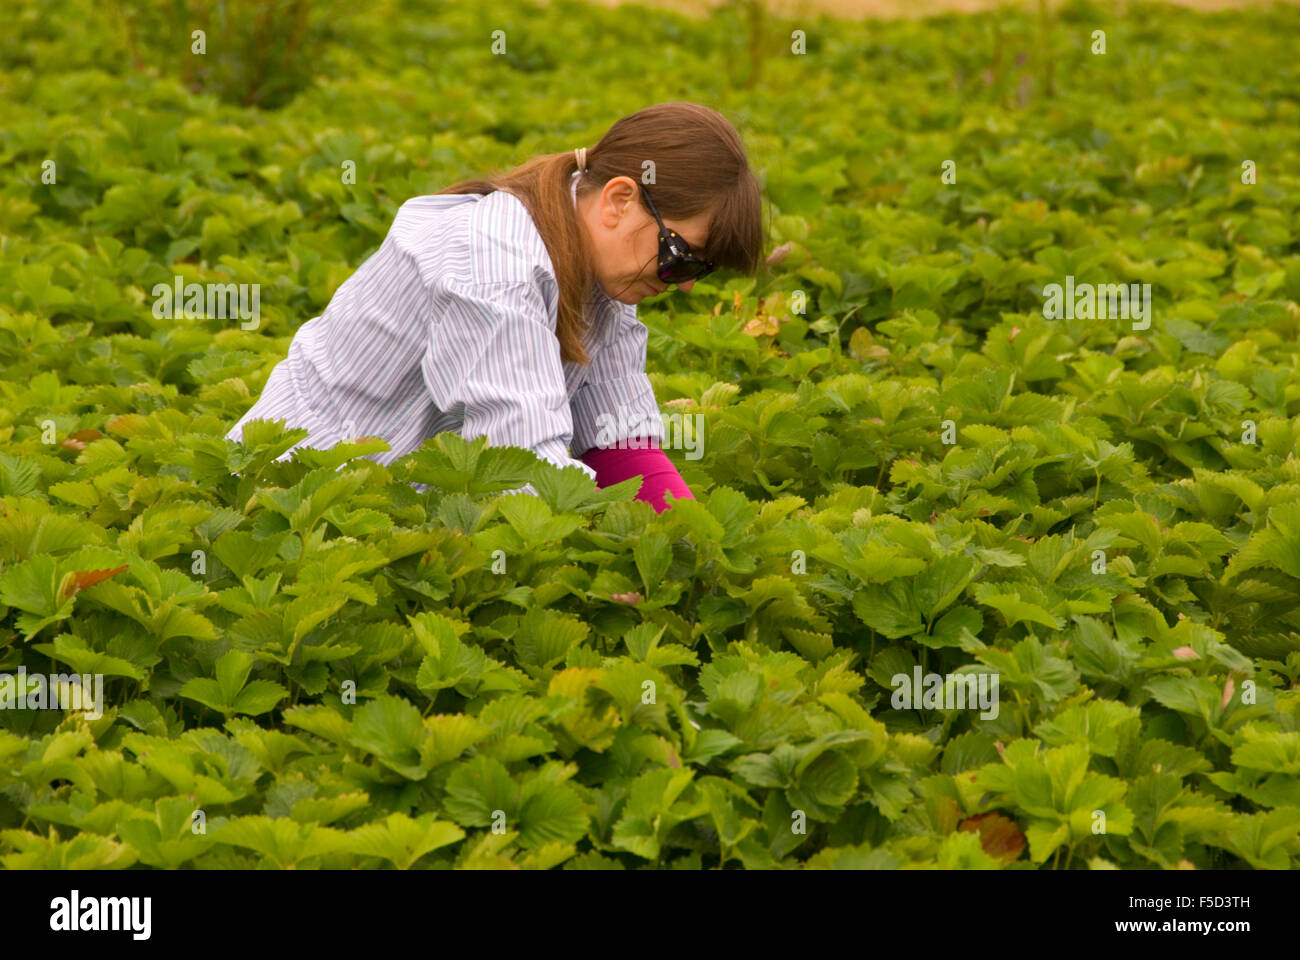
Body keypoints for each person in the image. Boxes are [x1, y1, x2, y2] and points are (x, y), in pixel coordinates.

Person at [225, 101, 765, 512]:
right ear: (620, 200)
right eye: (681, 257)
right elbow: (523, 459)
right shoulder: (492, 258)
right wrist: (614, 557)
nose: (686, 285)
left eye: (701, 268)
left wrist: (692, 547)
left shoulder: (607, 281)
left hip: (389, 506)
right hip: (287, 501)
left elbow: (618, 439)